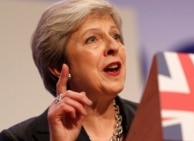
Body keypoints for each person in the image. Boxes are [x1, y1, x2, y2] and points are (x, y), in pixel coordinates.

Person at [0, 0, 138, 140]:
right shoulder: (18, 138)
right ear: (58, 67)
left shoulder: (155, 118)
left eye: (116, 36)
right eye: (92, 39)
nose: (113, 46)